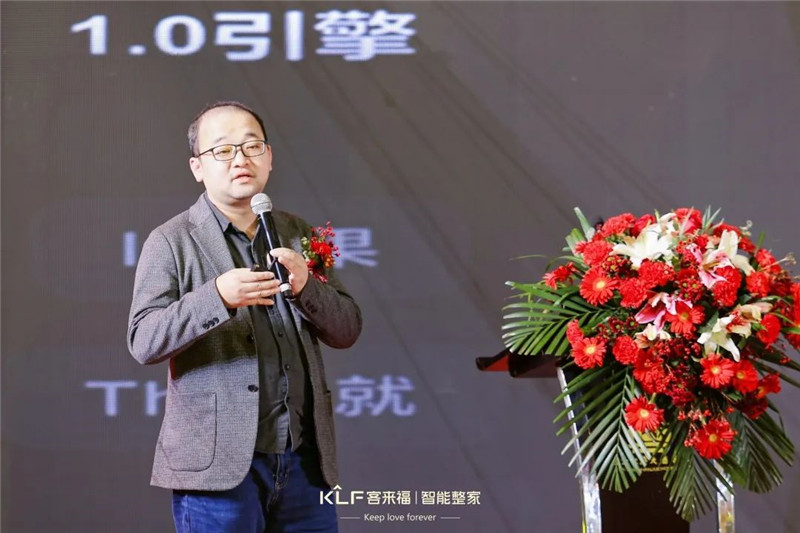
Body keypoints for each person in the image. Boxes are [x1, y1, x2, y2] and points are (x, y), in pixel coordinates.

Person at [127, 101, 362, 532]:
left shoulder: (297, 233)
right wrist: (216, 297)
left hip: (305, 460)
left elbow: (346, 329)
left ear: (269, 157)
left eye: (252, 146)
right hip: (219, 468)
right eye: (222, 150)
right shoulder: (171, 240)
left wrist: (306, 287)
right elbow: (144, 340)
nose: (240, 159)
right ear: (197, 167)